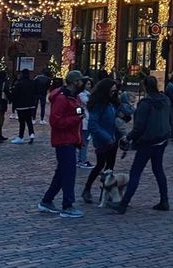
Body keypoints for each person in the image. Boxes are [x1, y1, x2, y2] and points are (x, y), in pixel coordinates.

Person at [110, 75, 171, 214]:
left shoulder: (145, 104)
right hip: (161, 140)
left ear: (144, 86)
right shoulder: (165, 100)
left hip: (147, 142)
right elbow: (170, 118)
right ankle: (164, 200)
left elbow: (139, 127)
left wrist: (128, 138)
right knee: (158, 170)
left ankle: (123, 204)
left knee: (136, 172)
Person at [38, 69, 85, 218]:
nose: (82, 83)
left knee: (61, 173)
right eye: (80, 81)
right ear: (74, 82)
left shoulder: (73, 97)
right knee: (68, 173)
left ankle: (47, 200)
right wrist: (77, 119)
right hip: (64, 140)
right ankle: (67, 205)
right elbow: (55, 121)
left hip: (70, 139)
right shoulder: (62, 98)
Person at [81, 77, 120, 204]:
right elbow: (93, 124)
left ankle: (107, 190)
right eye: (112, 90)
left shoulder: (110, 102)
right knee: (100, 165)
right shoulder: (99, 104)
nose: (113, 93)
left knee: (110, 167)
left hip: (112, 138)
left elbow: (114, 118)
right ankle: (87, 188)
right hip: (102, 139)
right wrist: (106, 137)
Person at [10, 69, 36, 144]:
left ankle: (21, 137)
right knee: (29, 121)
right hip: (30, 105)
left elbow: (15, 94)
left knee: (22, 122)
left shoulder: (19, 83)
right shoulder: (32, 83)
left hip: (21, 105)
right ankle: (31, 134)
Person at [77, 77, 93, 168]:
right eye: (87, 84)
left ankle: (81, 159)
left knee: (85, 141)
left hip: (87, 120)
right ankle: (82, 160)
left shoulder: (88, 94)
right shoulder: (82, 95)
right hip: (84, 121)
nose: (89, 86)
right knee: (84, 142)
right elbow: (89, 104)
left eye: (90, 84)